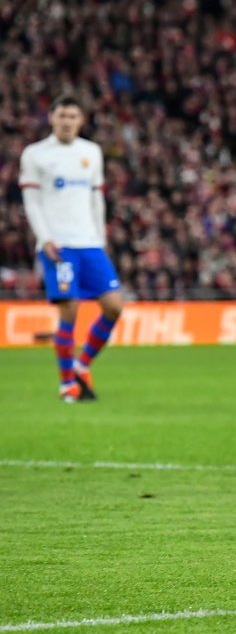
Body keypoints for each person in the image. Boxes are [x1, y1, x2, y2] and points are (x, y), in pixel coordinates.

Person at [19, 94, 123, 403]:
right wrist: (45, 237)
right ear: (51, 118)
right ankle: (67, 385)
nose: (67, 121)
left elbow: (96, 198)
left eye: (72, 116)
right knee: (70, 309)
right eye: (62, 115)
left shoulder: (91, 153)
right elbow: (32, 201)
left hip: (90, 243)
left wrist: (100, 237)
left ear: (81, 121)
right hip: (59, 245)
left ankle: (82, 365)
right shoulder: (35, 154)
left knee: (114, 306)